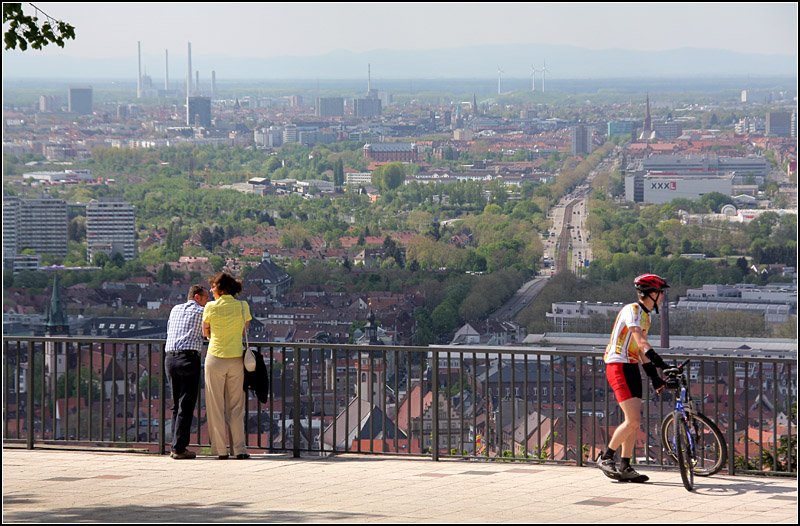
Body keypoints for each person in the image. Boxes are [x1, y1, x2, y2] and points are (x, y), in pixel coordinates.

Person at [597, 273, 671, 482]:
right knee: (633, 420)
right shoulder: (633, 311)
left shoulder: (646, 317)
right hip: (617, 365)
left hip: (631, 366)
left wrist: (655, 377)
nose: (663, 296)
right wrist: (662, 363)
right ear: (651, 294)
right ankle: (606, 456)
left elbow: (639, 352)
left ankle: (625, 466)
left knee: (634, 423)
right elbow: (640, 341)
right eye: (661, 292)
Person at [202, 272, 252, 460]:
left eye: (213, 286)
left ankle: (220, 450)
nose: (211, 289)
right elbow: (244, 329)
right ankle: (239, 449)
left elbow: (205, 331)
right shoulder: (242, 306)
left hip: (215, 357)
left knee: (215, 406)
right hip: (236, 358)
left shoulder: (210, 307)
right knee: (236, 406)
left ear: (221, 289)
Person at [165, 284, 210, 460]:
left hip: (170, 358)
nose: (207, 302)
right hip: (188, 359)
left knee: (176, 404)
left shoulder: (175, 309)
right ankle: (179, 448)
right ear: (197, 297)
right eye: (206, 298)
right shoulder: (202, 312)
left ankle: (175, 445)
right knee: (186, 404)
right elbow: (208, 334)